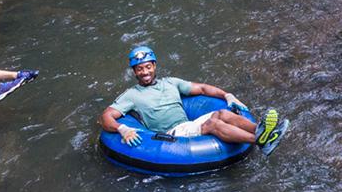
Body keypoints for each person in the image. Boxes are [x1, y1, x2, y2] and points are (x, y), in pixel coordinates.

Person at [100, 45, 287, 155]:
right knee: (213, 124)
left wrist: (227, 95)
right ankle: (260, 141)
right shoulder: (132, 95)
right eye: (140, 69)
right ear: (134, 72)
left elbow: (203, 88)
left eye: (148, 67)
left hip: (187, 124)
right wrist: (122, 128)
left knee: (222, 112)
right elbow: (106, 116)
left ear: (154, 66)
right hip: (171, 135)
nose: (145, 72)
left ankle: (261, 130)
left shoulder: (171, 82)